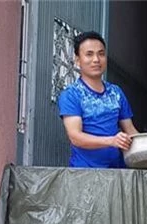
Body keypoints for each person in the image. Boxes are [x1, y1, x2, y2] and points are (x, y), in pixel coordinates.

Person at [58, 31, 138, 168]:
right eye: (89, 54)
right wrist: (112, 141)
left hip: (117, 174)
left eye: (101, 54)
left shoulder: (116, 92)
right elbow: (75, 137)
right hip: (84, 174)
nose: (96, 59)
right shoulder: (71, 95)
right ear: (77, 60)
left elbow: (130, 131)